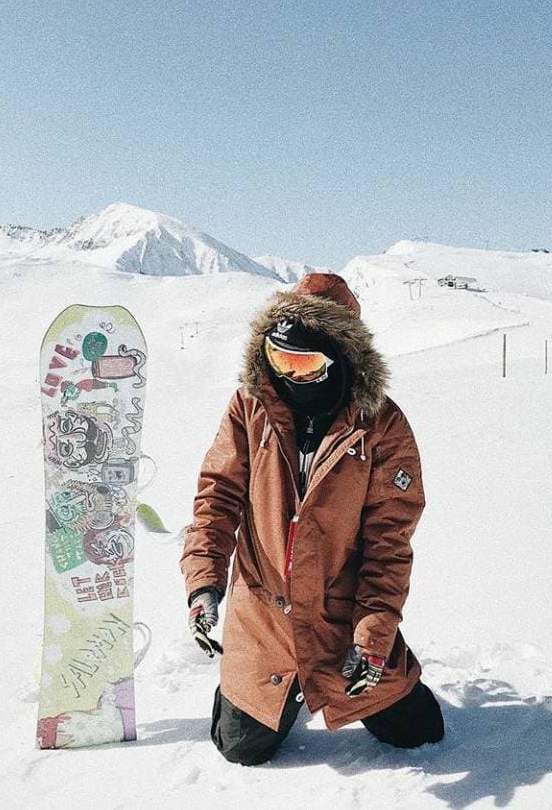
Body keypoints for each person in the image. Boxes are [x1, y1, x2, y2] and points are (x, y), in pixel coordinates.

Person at [179, 273, 444, 765]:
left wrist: (373, 637)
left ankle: (328, 677)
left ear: (339, 356)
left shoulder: (381, 425)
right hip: (264, 612)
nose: (290, 375)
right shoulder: (249, 406)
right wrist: (202, 584)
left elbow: (390, 544)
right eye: (279, 359)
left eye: (304, 362)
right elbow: (217, 497)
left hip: (340, 614)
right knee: (241, 748)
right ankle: (258, 686)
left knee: (421, 733)